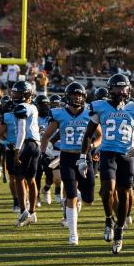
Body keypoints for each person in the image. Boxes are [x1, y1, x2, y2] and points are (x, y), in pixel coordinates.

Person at [81, 74, 134, 254]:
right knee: (108, 190)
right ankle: (109, 219)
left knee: (125, 194)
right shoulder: (100, 107)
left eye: (123, 88)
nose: (120, 91)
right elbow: (88, 134)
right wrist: (82, 156)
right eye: (117, 88)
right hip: (108, 152)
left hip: (127, 154)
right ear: (110, 90)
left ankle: (119, 231)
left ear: (129, 89)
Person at [40, 82, 100, 245]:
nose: (77, 98)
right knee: (70, 195)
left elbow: (99, 135)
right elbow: (46, 136)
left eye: (79, 95)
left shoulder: (89, 113)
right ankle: (73, 234)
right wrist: (44, 152)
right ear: (68, 96)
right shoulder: (59, 114)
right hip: (66, 157)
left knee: (89, 200)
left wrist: (93, 147)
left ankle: (79, 196)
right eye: (74, 95)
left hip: (84, 157)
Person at [0, 81, 41, 227]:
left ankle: (24, 211)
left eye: (17, 93)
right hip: (36, 144)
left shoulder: (22, 107)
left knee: (19, 178)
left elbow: (22, 131)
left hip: (26, 145)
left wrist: (17, 150)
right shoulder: (33, 107)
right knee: (31, 179)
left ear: (26, 93)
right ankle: (33, 211)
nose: (14, 95)